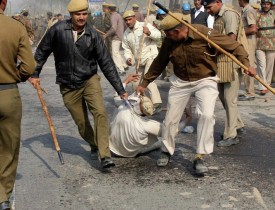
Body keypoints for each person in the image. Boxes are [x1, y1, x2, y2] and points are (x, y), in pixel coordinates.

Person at [136, 13, 256, 175]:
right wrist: (144, 83)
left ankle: (200, 156)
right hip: (181, 81)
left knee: (206, 116)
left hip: (205, 80)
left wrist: (247, 64)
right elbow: (159, 62)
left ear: (178, 31)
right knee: (170, 119)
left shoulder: (204, 33)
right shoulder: (169, 41)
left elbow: (235, 47)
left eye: (169, 34)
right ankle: (166, 150)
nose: (167, 37)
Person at [29, 0, 128, 169]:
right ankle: (94, 143)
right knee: (81, 123)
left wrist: (120, 89)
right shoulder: (58, 30)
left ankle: (105, 155)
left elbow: (106, 63)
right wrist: (34, 73)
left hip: (90, 79)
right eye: (78, 14)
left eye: (84, 14)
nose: (82, 18)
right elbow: (41, 52)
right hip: (67, 83)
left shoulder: (93, 34)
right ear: (71, 15)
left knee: (100, 113)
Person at [0, 0, 36, 209]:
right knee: (9, 147)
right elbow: (29, 65)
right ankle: (3, 195)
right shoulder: (16, 27)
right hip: (7, 92)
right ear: (4, 3)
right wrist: (17, 75)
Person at [204, 0, 248, 147]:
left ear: (217, 2)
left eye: (209, 7)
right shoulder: (217, 16)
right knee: (223, 97)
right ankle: (238, 124)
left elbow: (231, 40)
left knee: (230, 100)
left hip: (232, 62)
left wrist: (212, 45)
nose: (208, 11)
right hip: (222, 62)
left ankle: (231, 135)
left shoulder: (229, 14)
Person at [110, 74, 162, 157]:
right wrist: (186, 119)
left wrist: (127, 81)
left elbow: (117, 94)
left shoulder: (123, 106)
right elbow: (169, 131)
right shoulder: (146, 124)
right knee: (160, 141)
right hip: (130, 154)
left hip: (113, 148)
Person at [122, 10, 162, 110]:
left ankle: (157, 103)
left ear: (134, 18)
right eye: (126, 20)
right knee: (135, 82)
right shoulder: (126, 34)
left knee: (148, 79)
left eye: (130, 19)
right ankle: (141, 103)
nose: (128, 22)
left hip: (150, 56)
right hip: (139, 60)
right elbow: (126, 49)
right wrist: (128, 58)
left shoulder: (144, 25)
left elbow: (158, 35)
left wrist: (149, 32)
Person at [238, 0, 257, 101]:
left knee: (249, 65)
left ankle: (250, 92)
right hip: (246, 40)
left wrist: (240, 32)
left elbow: (253, 29)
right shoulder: (245, 10)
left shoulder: (249, 10)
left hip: (249, 41)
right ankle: (248, 91)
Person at [255, 0, 275, 95]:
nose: (266, 6)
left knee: (269, 65)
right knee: (261, 65)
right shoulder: (257, 14)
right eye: (264, 4)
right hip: (259, 42)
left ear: (270, 5)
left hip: (272, 43)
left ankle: (267, 84)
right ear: (261, 4)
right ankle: (262, 86)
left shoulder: (273, 14)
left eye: (268, 4)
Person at [104, 4, 127, 76]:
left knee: (114, 54)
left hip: (116, 37)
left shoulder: (113, 16)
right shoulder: (119, 15)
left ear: (110, 9)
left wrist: (106, 34)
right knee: (117, 52)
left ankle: (121, 70)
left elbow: (113, 28)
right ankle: (124, 66)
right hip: (120, 36)